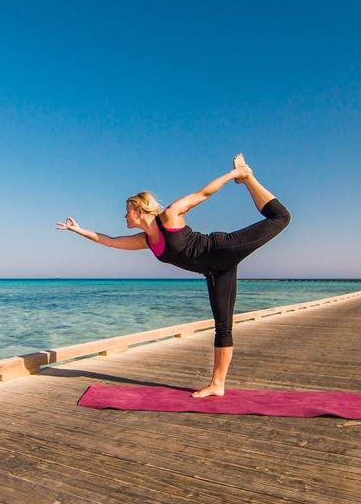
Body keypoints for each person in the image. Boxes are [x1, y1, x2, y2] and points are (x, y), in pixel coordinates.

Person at [56, 154, 291, 397]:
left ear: (138, 210)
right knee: (223, 326)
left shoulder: (170, 215)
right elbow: (110, 242)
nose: (124, 216)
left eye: (127, 211)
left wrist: (236, 174)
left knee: (281, 218)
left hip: (221, 248)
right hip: (215, 272)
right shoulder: (146, 240)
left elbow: (203, 194)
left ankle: (248, 178)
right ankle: (217, 385)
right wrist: (78, 230)